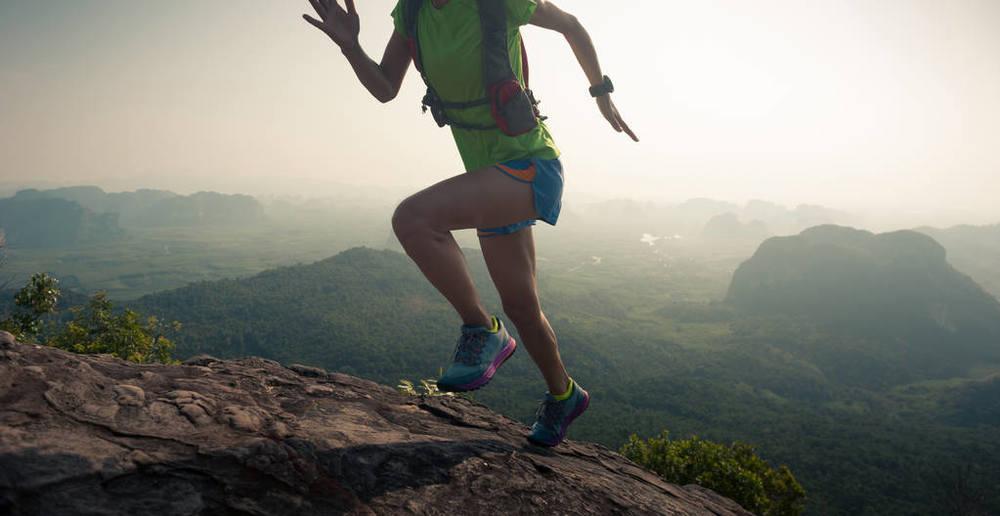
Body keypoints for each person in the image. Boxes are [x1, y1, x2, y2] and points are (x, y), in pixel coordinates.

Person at [304, 0, 637, 447]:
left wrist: (601, 93)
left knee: (414, 218)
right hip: (491, 178)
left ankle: (482, 330)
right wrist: (350, 47)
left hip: (529, 165)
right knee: (522, 307)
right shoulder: (413, 12)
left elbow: (571, 25)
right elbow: (385, 87)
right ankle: (565, 394)